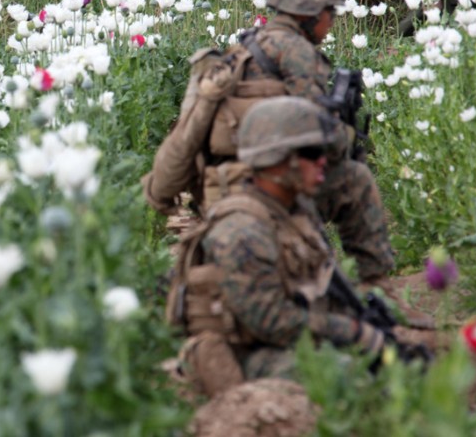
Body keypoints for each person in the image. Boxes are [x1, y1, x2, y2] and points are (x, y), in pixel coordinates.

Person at [144, 0, 434, 327]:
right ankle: (377, 287)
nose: (331, 23)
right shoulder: (297, 53)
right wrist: (347, 138)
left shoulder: (241, 49)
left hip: (218, 192)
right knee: (355, 179)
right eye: (330, 12)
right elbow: (314, 136)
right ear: (310, 13)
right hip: (274, 186)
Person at [166, 97, 389, 401]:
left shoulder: (293, 210)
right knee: (346, 376)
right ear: (279, 161)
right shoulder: (242, 231)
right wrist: (351, 331)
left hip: (292, 339)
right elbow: (271, 323)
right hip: (249, 355)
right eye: (311, 153)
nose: (323, 161)